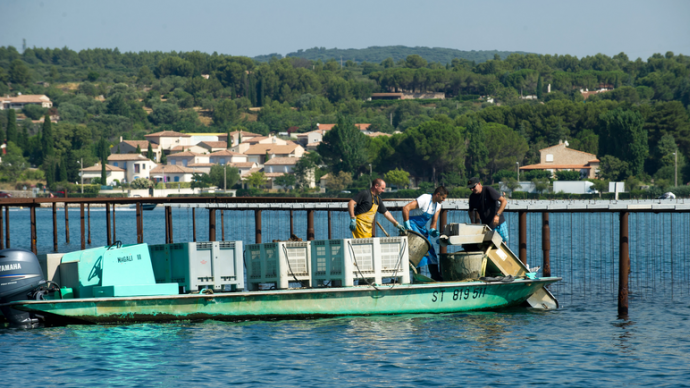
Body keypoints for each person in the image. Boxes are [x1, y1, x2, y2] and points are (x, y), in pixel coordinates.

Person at [402, 186, 448, 280]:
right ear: (438, 194)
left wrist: (433, 231)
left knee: (430, 250)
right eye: (443, 198)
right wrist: (407, 226)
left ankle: (435, 277)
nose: (444, 200)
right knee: (417, 250)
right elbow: (406, 208)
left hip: (422, 228)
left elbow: (433, 223)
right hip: (412, 225)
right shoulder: (425, 198)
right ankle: (416, 278)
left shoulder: (438, 206)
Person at [467, 177, 509, 243]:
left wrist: (497, 215)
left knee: (503, 244)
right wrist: (472, 220)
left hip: (499, 223)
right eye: (470, 188)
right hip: (487, 226)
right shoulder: (472, 197)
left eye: (473, 187)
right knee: (491, 246)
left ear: (479, 184)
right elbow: (470, 210)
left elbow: (504, 201)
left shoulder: (488, 190)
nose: (472, 189)